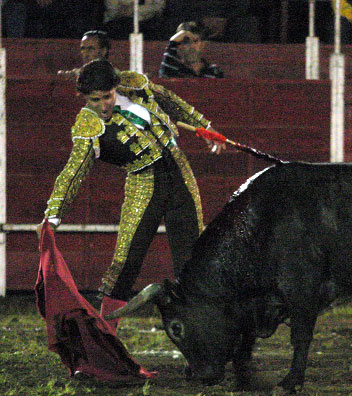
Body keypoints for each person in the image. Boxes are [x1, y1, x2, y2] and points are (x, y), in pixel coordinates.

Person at [36, 59, 226, 328]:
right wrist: (53, 216)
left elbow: (170, 101)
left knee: (192, 260)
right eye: (95, 100)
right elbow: (73, 173)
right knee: (125, 262)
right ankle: (107, 337)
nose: (103, 105)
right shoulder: (88, 127)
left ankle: (198, 333)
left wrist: (204, 127)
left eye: (107, 96)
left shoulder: (135, 85)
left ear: (115, 87)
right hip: (144, 184)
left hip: (180, 174)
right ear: (84, 98)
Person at [159, 21, 224, 79]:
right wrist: (183, 33)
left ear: (202, 44)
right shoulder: (171, 66)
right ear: (178, 46)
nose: (191, 46)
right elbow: (172, 43)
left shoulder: (214, 72)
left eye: (195, 41)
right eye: (185, 42)